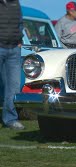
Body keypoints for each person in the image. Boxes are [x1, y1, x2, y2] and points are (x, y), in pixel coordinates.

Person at [0, 0, 25, 130]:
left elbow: (20, 22)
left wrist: (20, 40)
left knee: (13, 86)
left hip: (14, 49)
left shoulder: (15, 3)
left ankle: (10, 119)